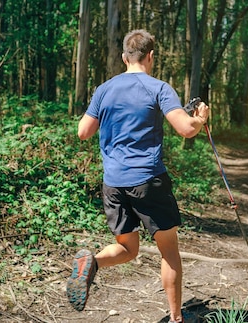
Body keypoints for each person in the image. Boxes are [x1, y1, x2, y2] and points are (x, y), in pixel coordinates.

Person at [66, 29, 209, 323]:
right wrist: (199, 119)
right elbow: (185, 129)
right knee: (169, 251)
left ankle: (90, 262)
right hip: (148, 181)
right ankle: (175, 318)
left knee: (128, 249)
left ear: (123, 57)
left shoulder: (104, 89)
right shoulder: (158, 88)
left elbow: (83, 132)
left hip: (113, 184)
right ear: (151, 56)